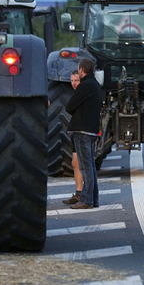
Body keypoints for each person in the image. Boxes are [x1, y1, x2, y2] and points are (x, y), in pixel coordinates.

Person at [65, 59, 102, 209]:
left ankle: (86, 201)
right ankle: (94, 199)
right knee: (90, 166)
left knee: (85, 167)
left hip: (81, 129)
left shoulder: (84, 86)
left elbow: (69, 107)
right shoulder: (96, 86)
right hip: (92, 129)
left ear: (81, 70)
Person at [63, 70, 84, 205]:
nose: (73, 83)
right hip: (75, 130)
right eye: (71, 80)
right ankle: (78, 193)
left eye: (76, 80)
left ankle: (83, 193)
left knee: (82, 163)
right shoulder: (76, 94)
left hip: (82, 131)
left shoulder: (83, 93)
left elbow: (69, 108)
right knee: (75, 163)